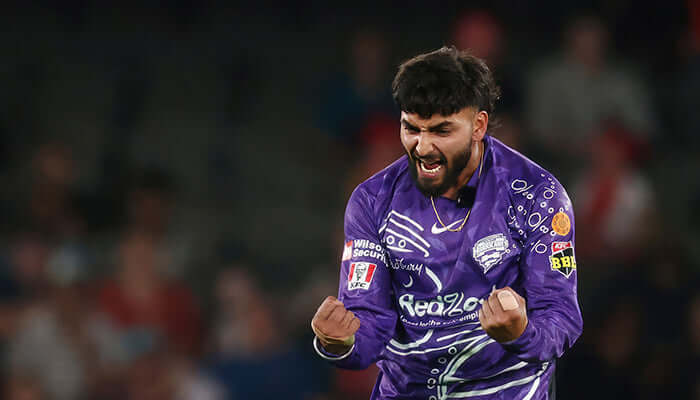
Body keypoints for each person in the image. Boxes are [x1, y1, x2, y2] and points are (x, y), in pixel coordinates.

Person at [311, 46, 582, 399]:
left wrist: (521, 333)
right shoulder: (372, 200)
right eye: (412, 128)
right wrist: (341, 341)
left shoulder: (536, 195)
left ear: (478, 125)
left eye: (441, 131)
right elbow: (369, 320)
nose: (422, 147)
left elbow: (561, 315)